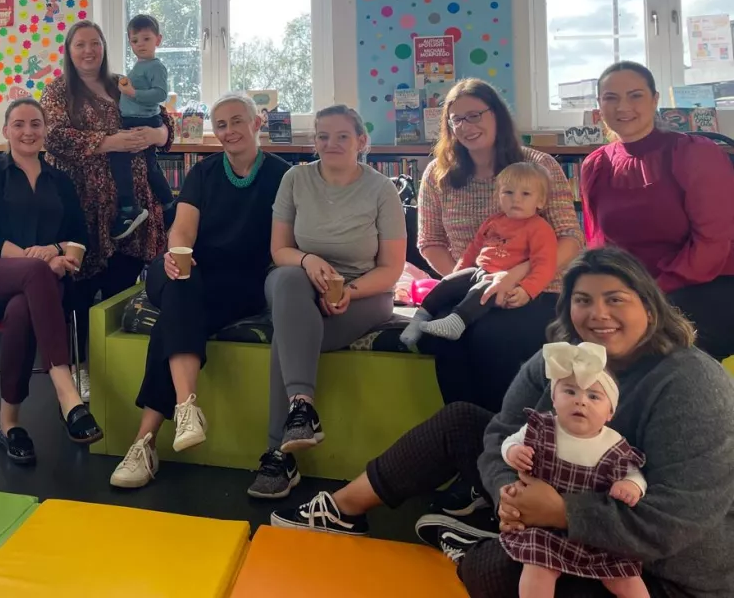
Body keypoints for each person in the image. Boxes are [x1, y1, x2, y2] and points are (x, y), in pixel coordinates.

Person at [269, 247, 734, 598]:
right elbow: (499, 433)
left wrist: (560, 514)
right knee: (461, 422)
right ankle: (341, 511)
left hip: (660, 572)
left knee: (490, 572)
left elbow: (674, 523)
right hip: (556, 509)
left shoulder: (690, 383)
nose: (599, 314)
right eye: (583, 300)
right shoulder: (558, 359)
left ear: (650, 309)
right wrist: (511, 496)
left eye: (616, 299)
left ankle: (478, 541)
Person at [110, 93, 288, 490]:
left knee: (177, 311)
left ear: (257, 123)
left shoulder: (282, 174)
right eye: (220, 124)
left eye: (236, 121)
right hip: (183, 265)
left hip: (237, 282)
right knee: (178, 281)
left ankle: (144, 441)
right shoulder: (204, 172)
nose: (228, 132)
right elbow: (184, 228)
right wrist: (176, 255)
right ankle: (186, 405)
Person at [248, 105, 405, 500]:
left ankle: (277, 454)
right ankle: (302, 408)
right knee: (286, 279)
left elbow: (391, 269)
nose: (330, 144)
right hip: (299, 284)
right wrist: (308, 259)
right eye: (322, 136)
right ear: (313, 140)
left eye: (342, 136)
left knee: (290, 335)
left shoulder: (382, 190)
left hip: (363, 293)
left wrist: (347, 292)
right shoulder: (295, 179)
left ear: (361, 141)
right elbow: (279, 250)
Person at [417, 79, 584, 418]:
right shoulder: (439, 174)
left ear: (498, 115)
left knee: (494, 336)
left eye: (475, 115)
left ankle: (510, 443)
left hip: (537, 289)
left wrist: (523, 282)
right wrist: (468, 283)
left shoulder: (539, 165)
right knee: (439, 339)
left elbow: (570, 237)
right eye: (457, 119)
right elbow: (430, 241)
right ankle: (468, 445)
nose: (467, 126)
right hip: (471, 286)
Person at [0, 98, 102, 464]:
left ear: (46, 131)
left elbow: (80, 237)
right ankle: (67, 392)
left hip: (44, 286)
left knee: (23, 308)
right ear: (6, 131)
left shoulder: (61, 180)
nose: (28, 131)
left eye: (36, 124)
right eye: (19, 124)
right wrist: (35, 259)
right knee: (36, 274)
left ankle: (8, 423)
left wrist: (55, 252)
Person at [41, 20, 173, 402]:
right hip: (83, 204)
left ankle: (117, 369)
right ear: (68, 50)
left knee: (122, 289)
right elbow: (55, 137)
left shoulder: (123, 82)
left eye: (95, 43)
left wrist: (158, 135)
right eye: (80, 44)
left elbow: (163, 116)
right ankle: (80, 370)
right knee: (80, 291)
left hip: (134, 207)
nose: (88, 51)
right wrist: (109, 142)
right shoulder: (58, 90)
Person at [583, 60, 734, 361]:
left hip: (708, 284)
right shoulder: (595, 165)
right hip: (632, 292)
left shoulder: (695, 153)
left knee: (650, 352)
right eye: (611, 97)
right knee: (576, 347)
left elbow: (713, 244)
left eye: (635, 95)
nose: (623, 106)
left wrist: (650, 294)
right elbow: (599, 244)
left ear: (655, 100)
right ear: (599, 106)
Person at [500, 342, 648, 598]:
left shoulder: (614, 445)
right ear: (554, 400)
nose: (581, 401)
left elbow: (635, 474)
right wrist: (513, 453)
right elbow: (509, 442)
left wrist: (631, 487)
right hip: (544, 529)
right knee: (537, 567)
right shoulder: (541, 427)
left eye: (593, 396)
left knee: (626, 578)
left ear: (610, 412)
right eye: (570, 391)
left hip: (595, 531)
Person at [404, 162, 559, 347]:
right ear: (498, 196)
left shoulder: (540, 229)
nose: (516, 199)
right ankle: (417, 321)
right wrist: (458, 273)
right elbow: (473, 249)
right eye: (508, 193)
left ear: (540, 201)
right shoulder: (493, 222)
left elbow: (545, 265)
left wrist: (527, 290)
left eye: (525, 194)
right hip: (478, 270)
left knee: (482, 292)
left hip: (501, 281)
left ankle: (456, 322)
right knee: (445, 285)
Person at [112, 13, 175, 237]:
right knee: (149, 166)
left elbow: (160, 94)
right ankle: (169, 204)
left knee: (119, 158)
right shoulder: (141, 65)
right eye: (134, 40)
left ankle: (129, 207)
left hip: (142, 120)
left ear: (158, 40)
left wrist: (132, 92)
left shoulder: (156, 66)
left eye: (146, 39)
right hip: (137, 119)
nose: (140, 45)